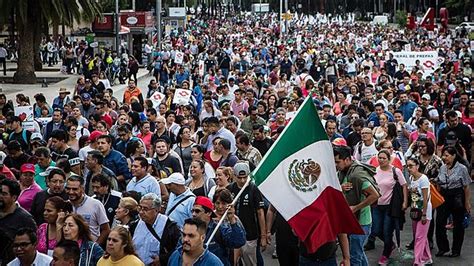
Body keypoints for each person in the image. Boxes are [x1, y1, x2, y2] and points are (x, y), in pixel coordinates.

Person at [333, 145, 380, 266]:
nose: (336, 165)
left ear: (347, 160)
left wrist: (356, 207)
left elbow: (375, 195)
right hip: (352, 221)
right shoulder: (343, 173)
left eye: (338, 162)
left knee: (354, 257)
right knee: (358, 253)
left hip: (361, 223)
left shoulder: (357, 175)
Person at [366, 149, 408, 264]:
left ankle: (385, 254)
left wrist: (405, 202)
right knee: (375, 230)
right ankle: (390, 244)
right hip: (376, 205)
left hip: (390, 206)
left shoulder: (396, 171)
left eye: (384, 158)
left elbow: (404, 185)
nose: (381, 160)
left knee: (387, 231)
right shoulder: (375, 171)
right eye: (379, 158)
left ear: (389, 159)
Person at [434, 146, 471, 257]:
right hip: (444, 196)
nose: (444, 158)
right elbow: (439, 182)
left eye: (447, 155)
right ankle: (443, 247)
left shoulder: (462, 168)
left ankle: (456, 250)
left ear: (454, 155)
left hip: (457, 196)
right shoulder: (442, 168)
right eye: (443, 155)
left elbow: (466, 186)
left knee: (458, 224)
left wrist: (467, 203)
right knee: (440, 222)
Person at [227, 162, 266, 266]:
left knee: (252, 261)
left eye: (245, 177)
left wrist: (263, 235)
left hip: (250, 234)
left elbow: (260, 212)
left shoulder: (253, 189)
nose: (243, 180)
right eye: (239, 177)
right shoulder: (230, 189)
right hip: (234, 233)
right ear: (234, 176)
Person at [193, 191, 246, 265]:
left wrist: (232, 219)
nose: (220, 207)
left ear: (208, 213)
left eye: (197, 211)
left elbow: (238, 242)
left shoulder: (220, 228)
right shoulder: (191, 228)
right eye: (217, 203)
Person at [133, 193, 180, 266]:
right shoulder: (134, 225)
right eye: (140, 208)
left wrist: (163, 259)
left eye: (145, 209)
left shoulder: (169, 226)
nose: (141, 212)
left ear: (157, 210)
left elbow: (178, 249)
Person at [65, 175, 110, 245]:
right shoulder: (65, 205)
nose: (71, 192)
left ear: (82, 189)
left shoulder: (95, 204)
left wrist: (94, 246)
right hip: (70, 248)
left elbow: (106, 229)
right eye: (68, 188)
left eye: (75, 189)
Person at [0, 179, 37, 263]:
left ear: (14, 197)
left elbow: (33, 246)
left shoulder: (25, 219)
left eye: (4, 194)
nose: (0, 196)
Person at [406, 157, 433, 265]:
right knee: (420, 236)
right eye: (407, 166)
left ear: (417, 166)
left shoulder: (423, 179)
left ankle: (418, 261)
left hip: (424, 211)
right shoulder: (412, 178)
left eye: (411, 166)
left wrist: (424, 214)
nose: (409, 168)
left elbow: (426, 198)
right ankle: (427, 257)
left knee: (419, 237)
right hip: (415, 210)